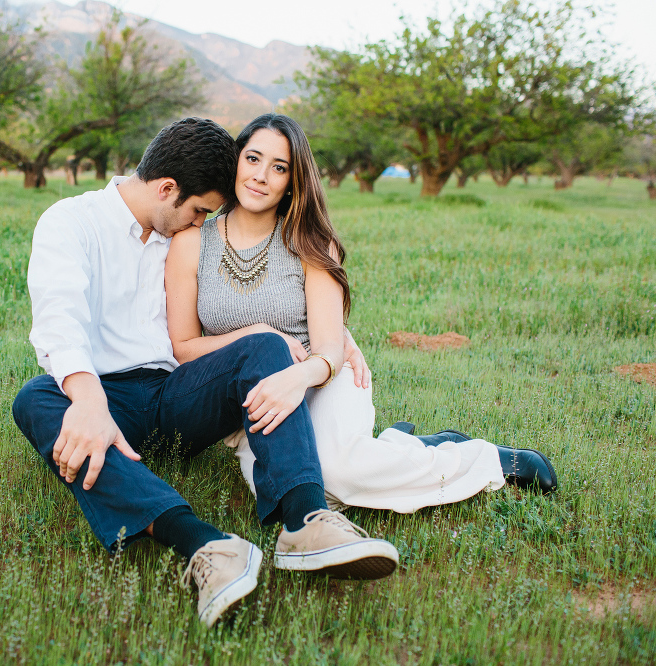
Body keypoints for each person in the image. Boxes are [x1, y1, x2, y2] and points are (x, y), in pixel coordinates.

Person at [12, 117, 400, 630]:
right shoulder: (71, 223)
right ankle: (207, 546)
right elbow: (58, 320)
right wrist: (88, 403)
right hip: (107, 395)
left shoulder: (183, 232)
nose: (203, 223)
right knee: (34, 401)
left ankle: (304, 521)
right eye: (198, 211)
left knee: (260, 343)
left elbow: (236, 307)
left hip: (177, 391)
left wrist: (330, 336)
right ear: (167, 189)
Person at [165, 113, 557, 516]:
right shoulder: (194, 242)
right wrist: (260, 333)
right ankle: (405, 447)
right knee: (296, 499)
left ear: (292, 182)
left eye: (278, 167)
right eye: (253, 159)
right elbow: (184, 348)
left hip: (319, 379)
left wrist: (298, 376)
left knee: (340, 475)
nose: (261, 176)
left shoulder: (310, 242)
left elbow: (331, 349)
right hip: (256, 398)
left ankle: (488, 461)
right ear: (236, 161)